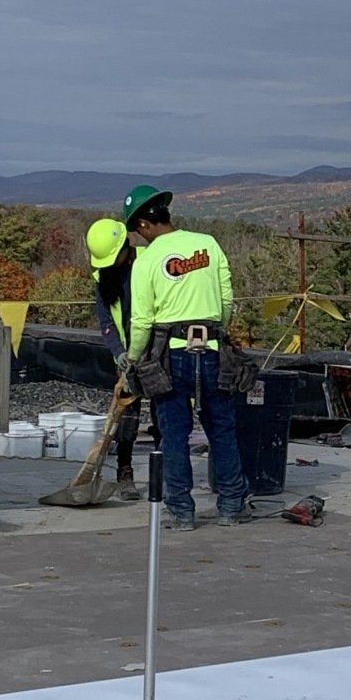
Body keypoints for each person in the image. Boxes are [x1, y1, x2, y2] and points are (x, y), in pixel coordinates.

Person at [124, 186, 248, 532]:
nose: (139, 238)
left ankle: (181, 512)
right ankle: (231, 506)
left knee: (173, 434)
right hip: (211, 350)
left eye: (137, 231)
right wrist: (215, 331)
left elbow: (142, 320)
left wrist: (132, 358)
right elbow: (226, 300)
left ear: (144, 224)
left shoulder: (147, 260)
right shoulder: (207, 244)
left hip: (170, 355)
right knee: (221, 428)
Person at [85, 214, 142, 501]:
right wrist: (118, 352)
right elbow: (106, 321)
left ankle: (166, 473)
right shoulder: (104, 278)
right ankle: (125, 471)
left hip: (156, 349)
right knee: (127, 415)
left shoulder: (148, 264)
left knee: (165, 416)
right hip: (126, 354)